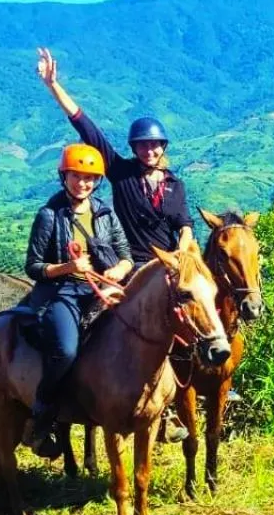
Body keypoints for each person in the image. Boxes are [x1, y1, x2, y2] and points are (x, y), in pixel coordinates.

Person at [21, 142, 134, 457]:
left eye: (89, 178)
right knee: (67, 351)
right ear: (64, 176)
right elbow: (33, 266)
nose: (83, 183)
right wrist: (68, 267)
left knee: (143, 331)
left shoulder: (105, 213)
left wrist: (118, 270)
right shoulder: (49, 215)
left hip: (100, 288)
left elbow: (125, 257)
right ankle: (42, 413)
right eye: (76, 176)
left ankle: (157, 408)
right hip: (62, 291)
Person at [36, 47, 192, 267]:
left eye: (154, 145)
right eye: (142, 146)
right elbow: (87, 128)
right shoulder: (122, 173)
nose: (149, 151)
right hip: (130, 264)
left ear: (162, 147)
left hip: (168, 264)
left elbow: (184, 226)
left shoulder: (175, 185)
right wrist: (53, 85)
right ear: (134, 148)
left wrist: (181, 254)